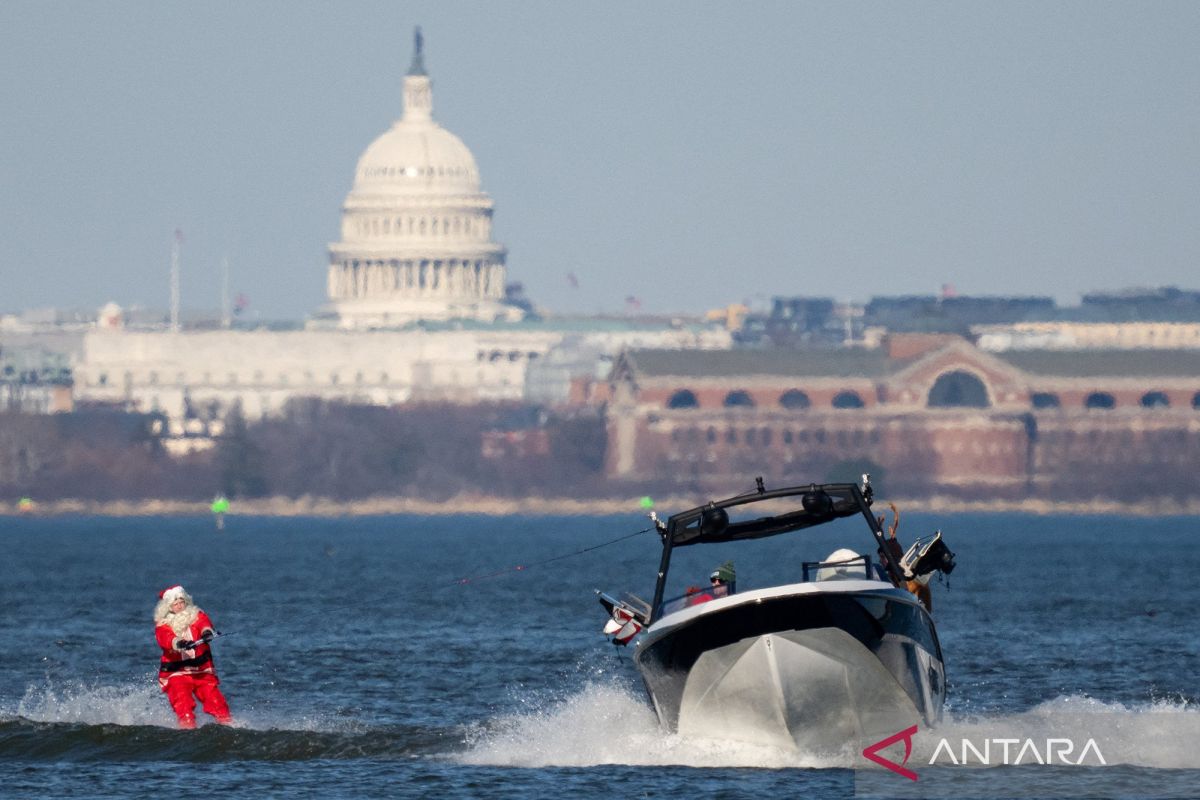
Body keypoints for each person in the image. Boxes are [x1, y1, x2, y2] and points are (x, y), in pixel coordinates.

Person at [154, 585, 232, 729]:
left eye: (181, 602)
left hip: (202, 671)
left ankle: (228, 725)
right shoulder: (163, 625)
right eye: (175, 604)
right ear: (168, 607)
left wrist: (206, 633)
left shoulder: (196, 615)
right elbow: (165, 638)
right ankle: (187, 729)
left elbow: (204, 624)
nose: (179, 606)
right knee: (183, 703)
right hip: (176, 673)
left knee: (216, 702)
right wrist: (179, 643)